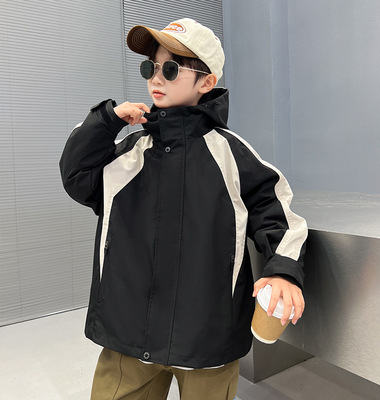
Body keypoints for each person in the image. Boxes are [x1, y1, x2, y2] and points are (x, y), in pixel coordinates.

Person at [59, 18, 307, 400]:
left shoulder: (232, 156)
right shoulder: (129, 154)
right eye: (150, 67)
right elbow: (76, 175)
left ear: (207, 82)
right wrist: (105, 121)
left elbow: (280, 216)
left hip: (206, 343)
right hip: (128, 339)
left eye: (171, 69)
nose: (156, 78)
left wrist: (283, 272)